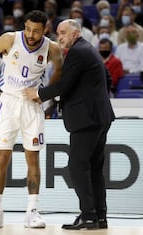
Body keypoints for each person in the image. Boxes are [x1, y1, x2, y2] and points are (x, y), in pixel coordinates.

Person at [23, 19, 115, 230]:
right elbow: (106, 79)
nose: (59, 36)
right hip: (99, 116)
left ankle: (89, 216)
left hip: (86, 119)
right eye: (57, 33)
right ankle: (99, 217)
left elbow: (64, 84)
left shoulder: (77, 52)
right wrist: (94, 96)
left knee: (77, 167)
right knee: (94, 169)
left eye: (63, 32)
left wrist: (37, 94)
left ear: (76, 33)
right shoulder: (88, 50)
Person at [0, 10, 63, 229]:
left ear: (45, 30)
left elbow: (60, 69)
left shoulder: (51, 48)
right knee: (2, 158)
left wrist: (44, 93)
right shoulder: (10, 39)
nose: (30, 33)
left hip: (32, 106)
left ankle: (32, 211)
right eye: (28, 28)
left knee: (33, 160)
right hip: (8, 103)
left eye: (36, 30)